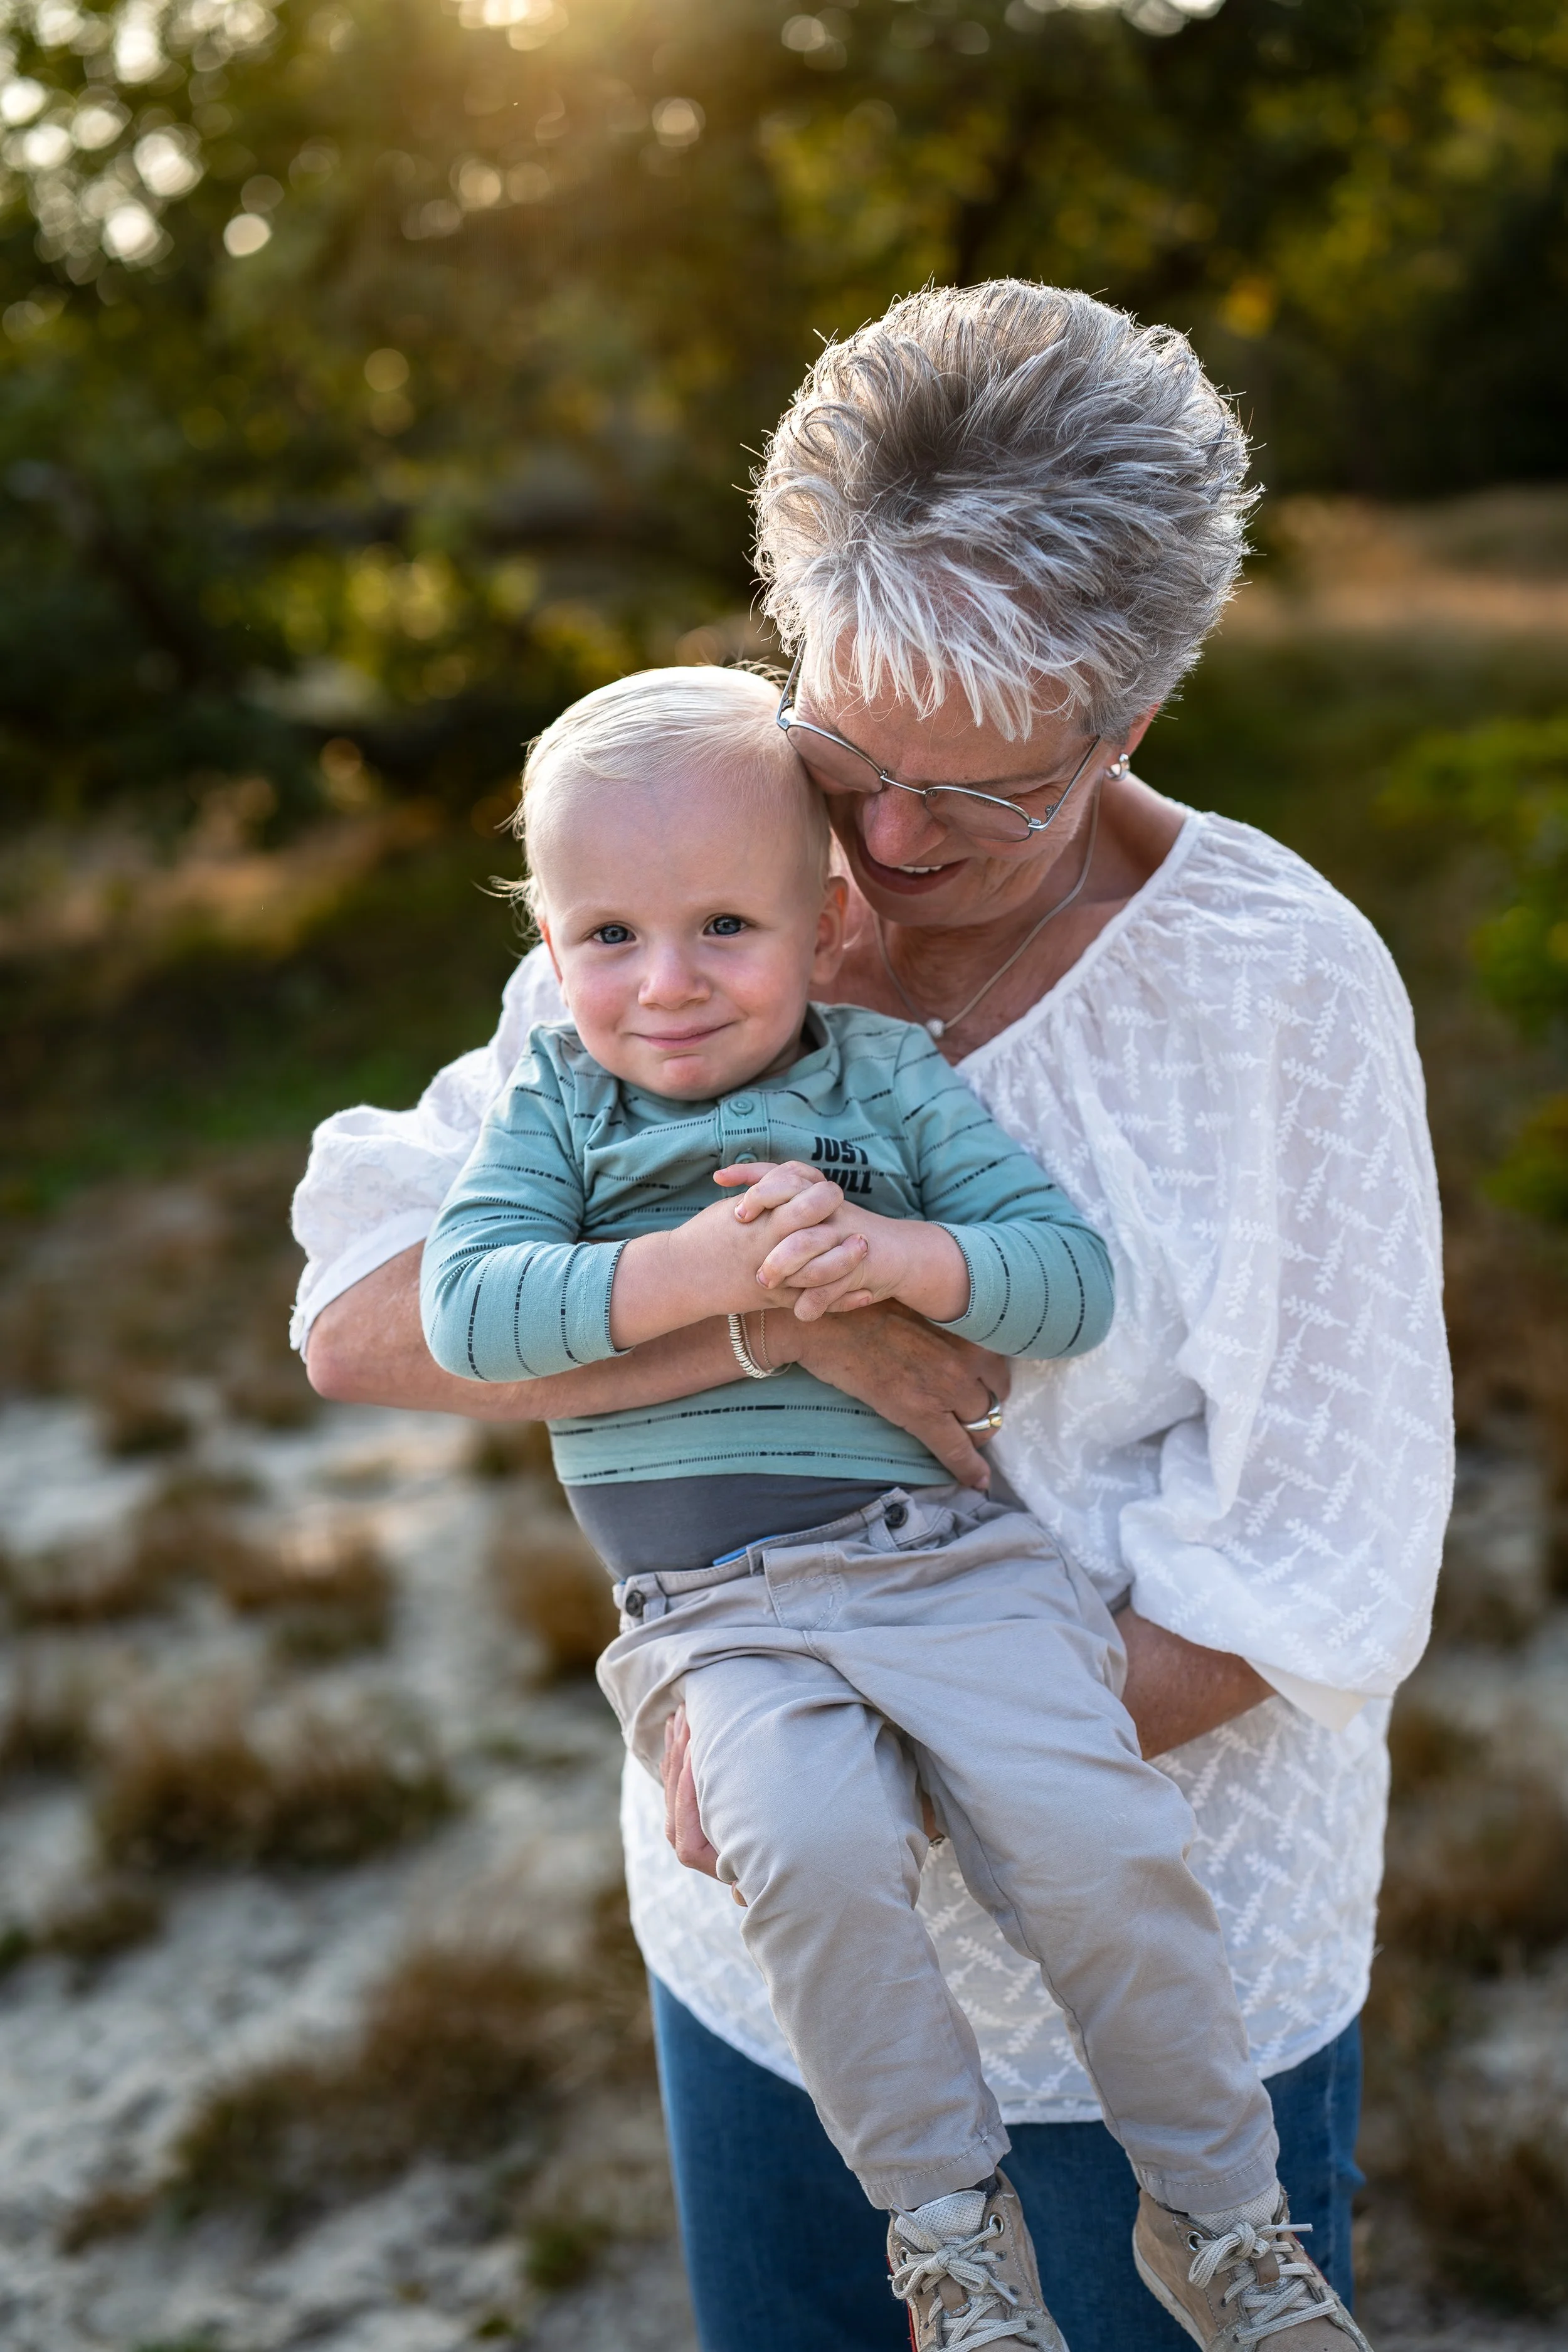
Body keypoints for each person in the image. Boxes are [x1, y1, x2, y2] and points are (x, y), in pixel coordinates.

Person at [292, 282, 1452, 2352]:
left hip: (1138, 1983)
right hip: (767, 1970)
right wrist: (785, 1330)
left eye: (988, 791)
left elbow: (1309, 1565)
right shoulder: (687, 893)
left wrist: (863, 1778)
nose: (889, 853)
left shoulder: (1279, 990)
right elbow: (375, 1320)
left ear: (1131, 723)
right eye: (854, 753)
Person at [416, 664, 1362, 2351]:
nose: (670, 983)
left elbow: (1061, 1282)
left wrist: (896, 1257)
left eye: (724, 923)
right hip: (714, 1611)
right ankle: (948, 2238)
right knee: (805, 1842)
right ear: (548, 941)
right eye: (607, 937)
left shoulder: (878, 1081)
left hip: (945, 1561)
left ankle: (1220, 2215)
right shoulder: (561, 1101)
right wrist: (717, 1274)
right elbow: (467, 1313)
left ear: (822, 913)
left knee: (1094, 1832)